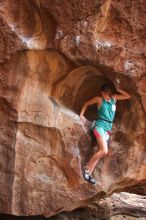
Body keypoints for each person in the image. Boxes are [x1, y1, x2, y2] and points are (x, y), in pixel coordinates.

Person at [80, 83, 131, 184]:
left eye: (104, 93)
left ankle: (89, 173)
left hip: (108, 128)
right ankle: (86, 169)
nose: (103, 95)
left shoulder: (114, 98)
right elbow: (86, 103)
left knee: (102, 151)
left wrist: (119, 89)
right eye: (103, 93)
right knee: (104, 150)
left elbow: (127, 96)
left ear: (107, 93)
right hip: (100, 126)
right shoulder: (99, 99)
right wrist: (81, 115)